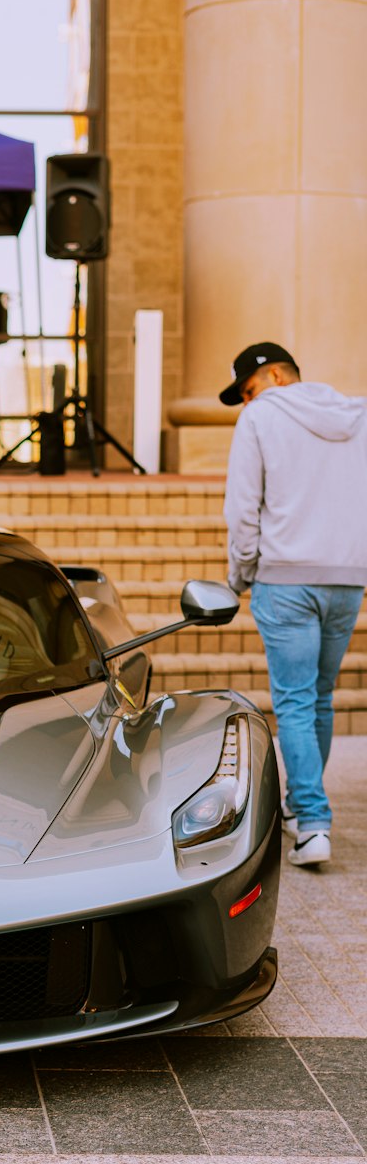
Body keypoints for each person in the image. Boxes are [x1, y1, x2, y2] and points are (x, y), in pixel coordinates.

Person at [221, 341, 367, 867]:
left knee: (295, 703)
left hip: (285, 579)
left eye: (248, 389)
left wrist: (238, 575)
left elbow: (243, 507)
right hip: (347, 579)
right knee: (319, 698)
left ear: (277, 376)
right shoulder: (357, 415)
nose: (246, 402)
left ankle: (312, 822)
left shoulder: (260, 419)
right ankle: (299, 810)